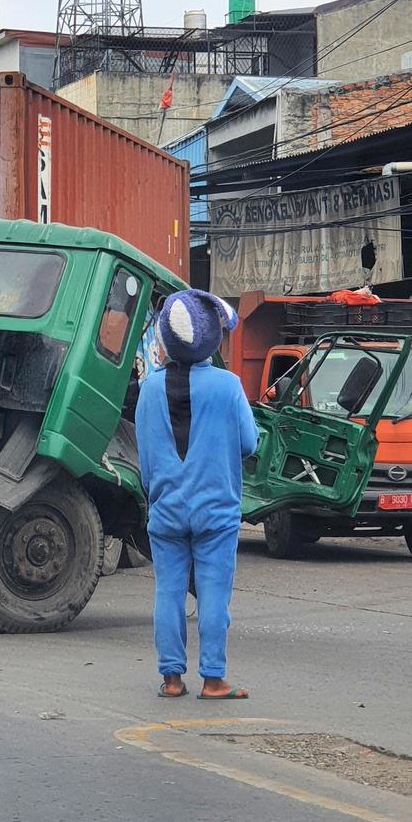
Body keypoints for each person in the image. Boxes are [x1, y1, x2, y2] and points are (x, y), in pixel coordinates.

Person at [135, 289, 259, 700]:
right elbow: (249, 443)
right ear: (211, 339)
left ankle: (171, 680)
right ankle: (213, 679)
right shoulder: (228, 386)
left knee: (168, 592)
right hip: (216, 511)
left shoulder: (150, 390)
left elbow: (146, 456)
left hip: (166, 509)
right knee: (213, 596)